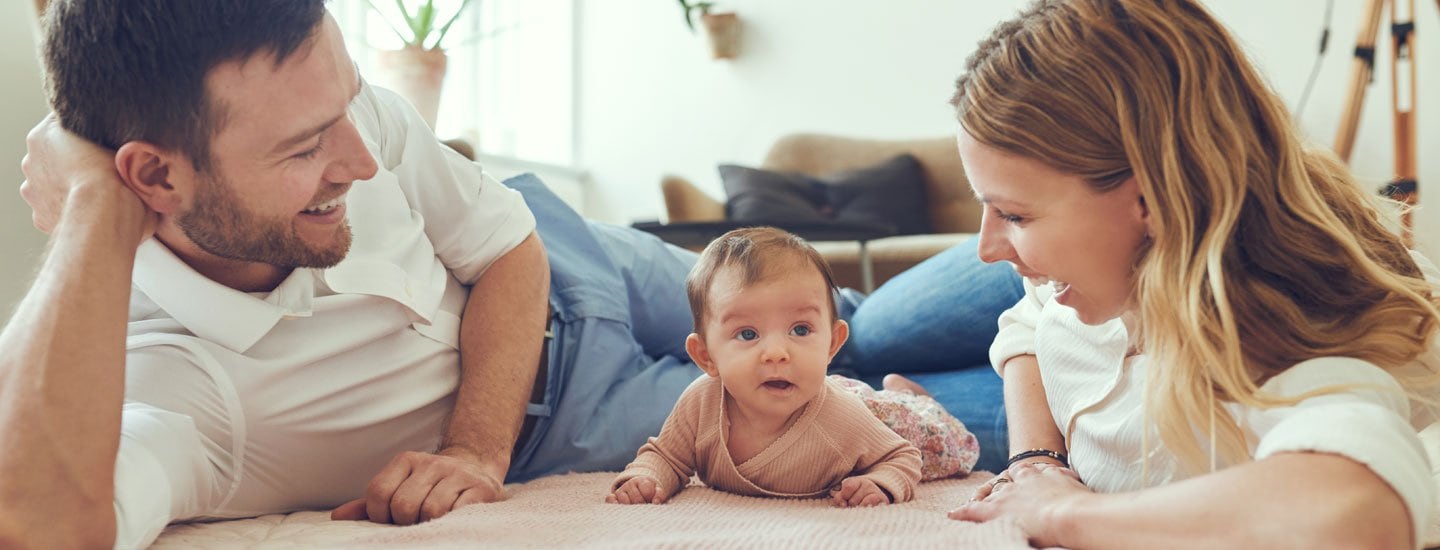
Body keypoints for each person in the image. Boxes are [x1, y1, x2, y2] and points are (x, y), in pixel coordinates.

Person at [1, 2, 1021, 548]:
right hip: (575, 412)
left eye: (353, 107)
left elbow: (504, 246)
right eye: (309, 147)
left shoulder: (344, 118)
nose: (362, 158)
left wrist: (472, 449)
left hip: (566, 255)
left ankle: (1123, 247)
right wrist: (94, 207)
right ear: (152, 176)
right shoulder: (168, 383)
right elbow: (38, 522)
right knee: (862, 414)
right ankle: (1116, 362)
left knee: (845, 321)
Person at [942, 1, 1440, 548]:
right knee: (859, 339)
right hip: (1063, 381)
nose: (985, 248)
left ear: (1152, 199)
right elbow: (1025, 320)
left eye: (1014, 214)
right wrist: (1036, 460)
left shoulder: (1283, 338)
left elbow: (1356, 509)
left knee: (853, 368)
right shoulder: (1091, 272)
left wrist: (1062, 512)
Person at [606, 228, 978, 507]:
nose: (776, 353)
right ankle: (899, 388)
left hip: (879, 418)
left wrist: (881, 483)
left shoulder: (841, 420)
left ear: (832, 342)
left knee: (943, 442)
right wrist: (646, 476)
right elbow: (667, 456)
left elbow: (902, 456)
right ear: (706, 357)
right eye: (748, 333)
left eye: (800, 330)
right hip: (844, 399)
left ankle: (911, 398)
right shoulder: (700, 404)